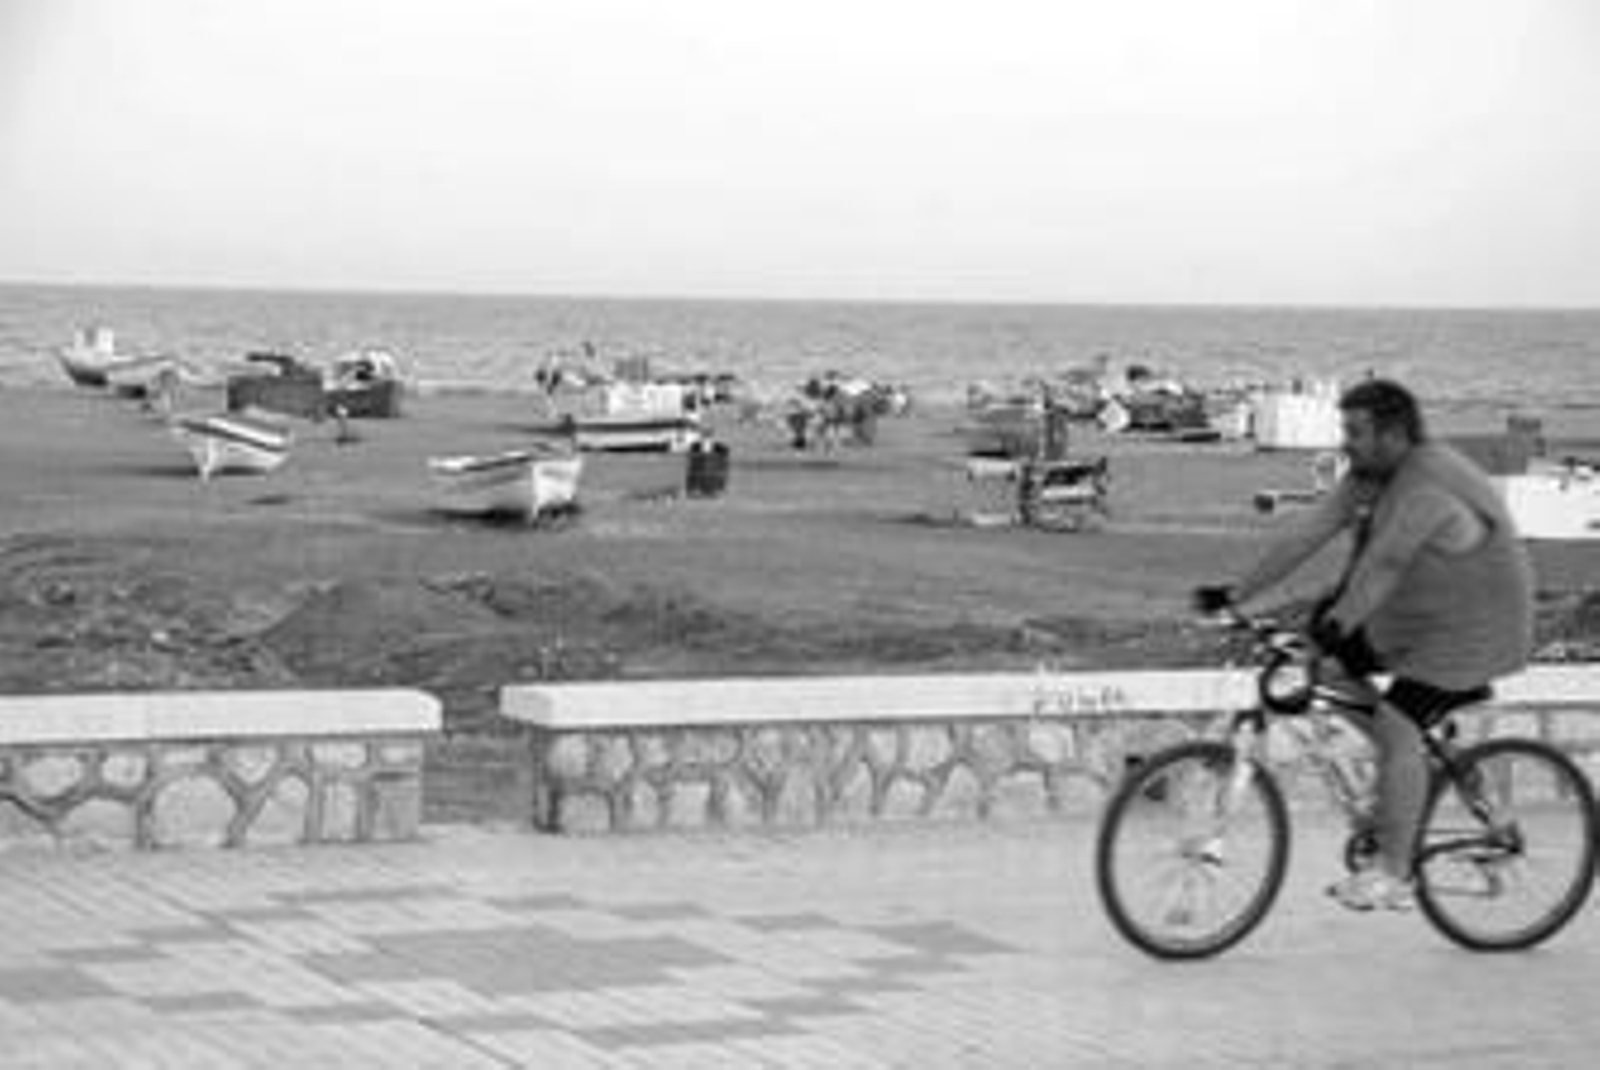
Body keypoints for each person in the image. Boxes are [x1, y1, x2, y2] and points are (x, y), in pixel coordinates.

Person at [1195, 379, 1534, 911]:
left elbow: (1385, 565)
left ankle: (1396, 873)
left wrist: (1337, 622)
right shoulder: (1370, 476)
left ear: (1393, 434)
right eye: (1343, 430)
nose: (1345, 442)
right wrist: (1236, 596)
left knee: (1399, 723)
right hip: (1412, 618)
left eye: (1355, 432)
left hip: (1471, 628)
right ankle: (1410, 775)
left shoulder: (1430, 485)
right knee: (1330, 672)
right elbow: (1307, 533)